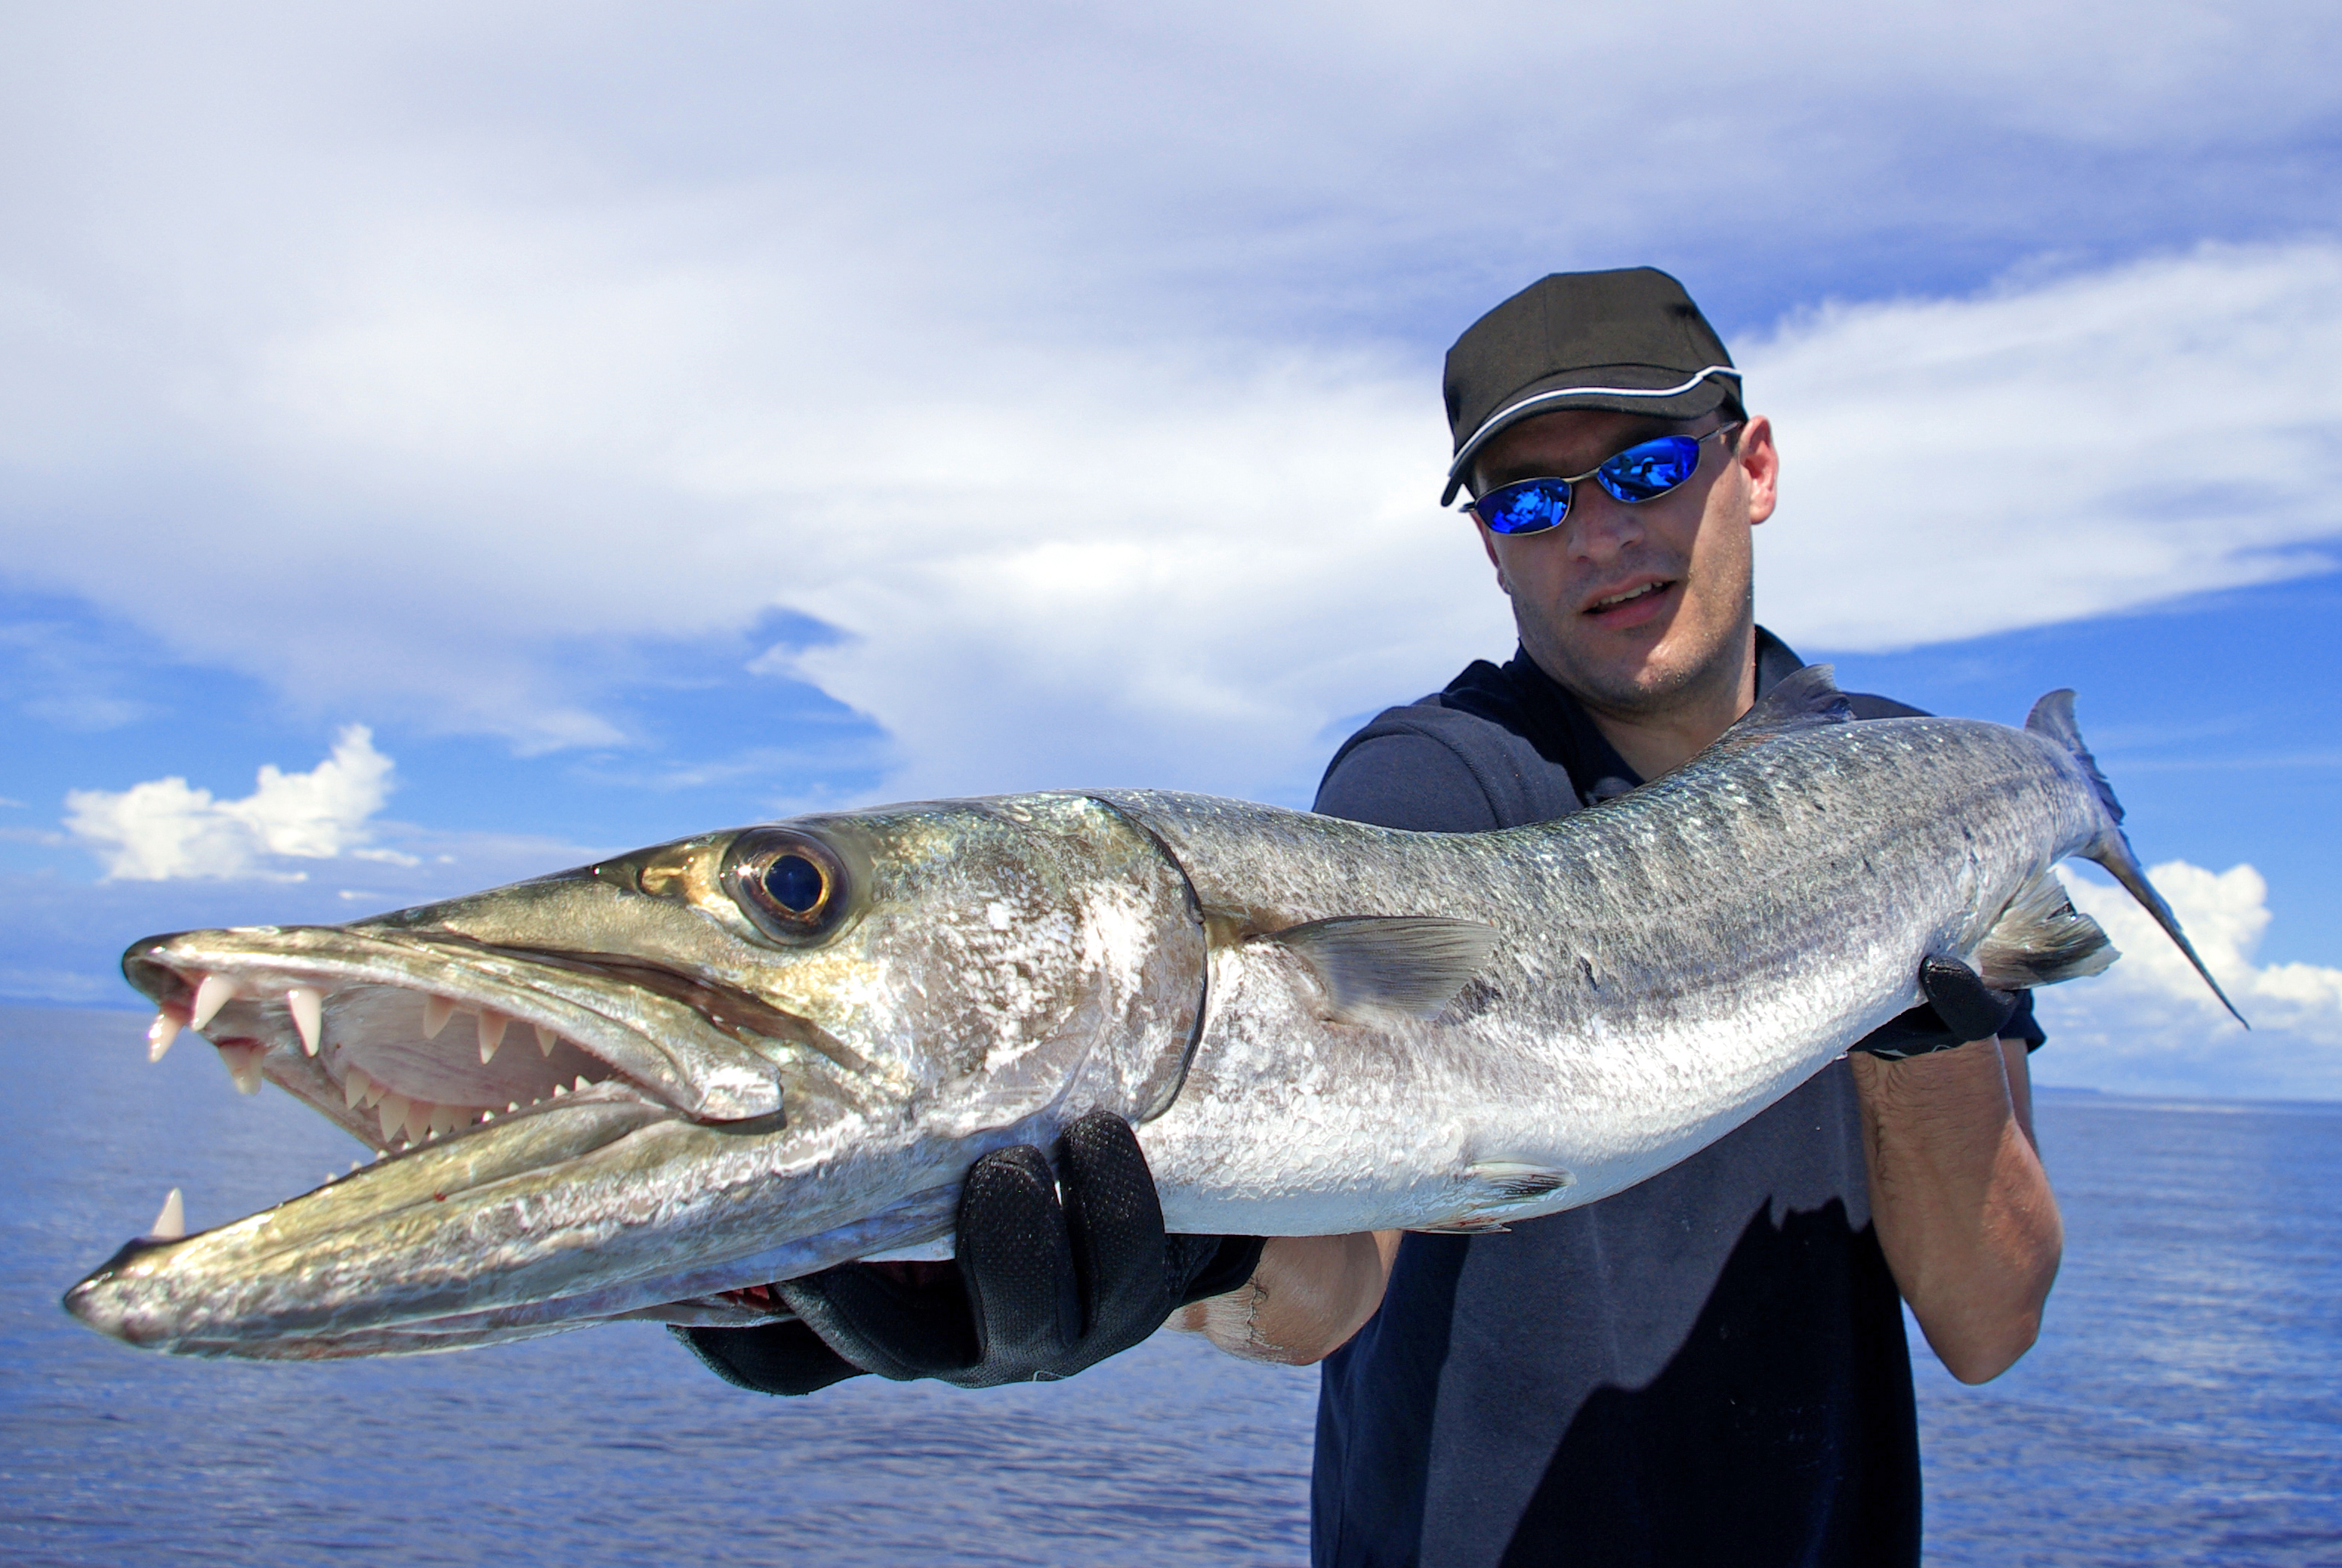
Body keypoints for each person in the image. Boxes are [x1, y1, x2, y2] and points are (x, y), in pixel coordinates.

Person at [676, 267, 2062, 1568]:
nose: (1599, 534)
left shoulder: (1913, 782)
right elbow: (1332, 1285)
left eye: (1645, 468)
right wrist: (1180, 1266)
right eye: (1530, 504)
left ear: (1751, 467)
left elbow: (1989, 1323)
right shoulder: (1428, 784)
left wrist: (1926, 1018)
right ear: (1487, 549)